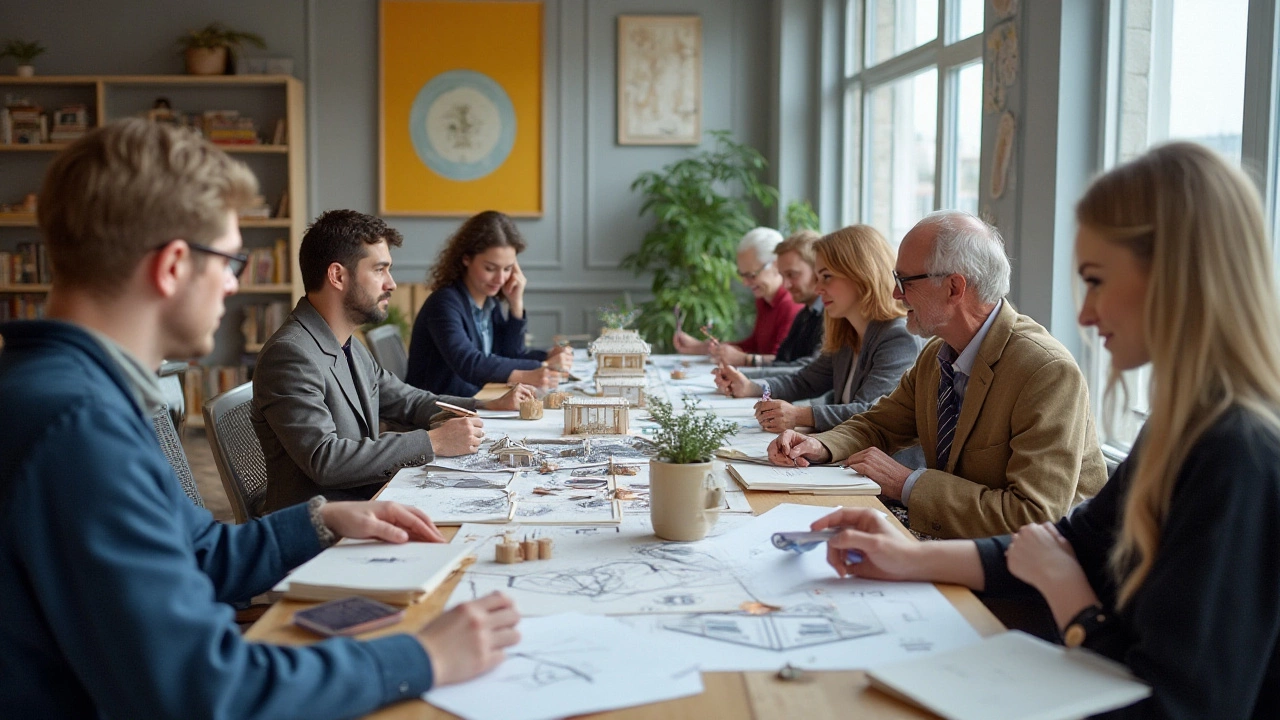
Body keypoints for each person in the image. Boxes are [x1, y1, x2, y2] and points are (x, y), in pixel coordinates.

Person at [0, 119, 520, 719]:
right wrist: (421, 657)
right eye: (230, 259)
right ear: (172, 265)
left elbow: (195, 553)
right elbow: (207, 689)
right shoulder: (79, 427)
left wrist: (322, 520)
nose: (233, 282)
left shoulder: (70, 391)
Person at [808, 143, 1280, 718]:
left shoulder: (1237, 451)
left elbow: (1180, 703)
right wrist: (903, 558)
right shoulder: (1181, 423)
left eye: (1096, 281)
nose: (1083, 315)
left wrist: (1070, 599)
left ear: (1179, 278)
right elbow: (1069, 544)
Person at [769, 211, 1107, 538]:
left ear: (954, 288)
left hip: (1029, 578)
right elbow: (879, 423)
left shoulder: (1045, 371)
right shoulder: (937, 354)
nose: (895, 294)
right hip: (957, 546)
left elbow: (1031, 517)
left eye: (905, 281)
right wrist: (818, 445)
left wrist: (907, 483)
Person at [253, 210, 534, 513]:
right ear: (337, 276)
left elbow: (410, 401)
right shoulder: (291, 355)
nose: (391, 284)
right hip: (323, 527)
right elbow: (326, 459)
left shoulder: (348, 345)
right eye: (379, 270)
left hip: (367, 501)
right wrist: (433, 442)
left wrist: (486, 406)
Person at [714, 225, 922, 442]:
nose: (817, 288)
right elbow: (804, 381)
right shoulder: (847, 332)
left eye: (826, 277)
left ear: (860, 274)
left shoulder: (898, 337)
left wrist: (800, 415)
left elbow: (870, 412)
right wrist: (751, 387)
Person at [406, 210, 572, 396]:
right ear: (466, 258)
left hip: (477, 401)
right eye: (490, 268)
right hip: (441, 411)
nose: (500, 279)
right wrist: (541, 366)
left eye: (508, 269)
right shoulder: (444, 303)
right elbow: (470, 363)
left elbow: (509, 353)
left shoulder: (488, 302)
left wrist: (516, 303)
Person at [672, 226, 803, 361]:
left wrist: (743, 359)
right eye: (742, 275)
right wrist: (701, 347)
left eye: (751, 275)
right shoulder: (764, 299)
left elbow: (782, 363)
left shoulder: (791, 305)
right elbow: (754, 346)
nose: (745, 283)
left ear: (776, 265)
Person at [717, 229, 826, 372]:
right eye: (783, 275)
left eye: (792, 275)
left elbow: (810, 370)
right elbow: (782, 361)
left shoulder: (830, 315)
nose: (786, 284)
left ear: (818, 271)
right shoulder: (805, 314)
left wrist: (747, 375)